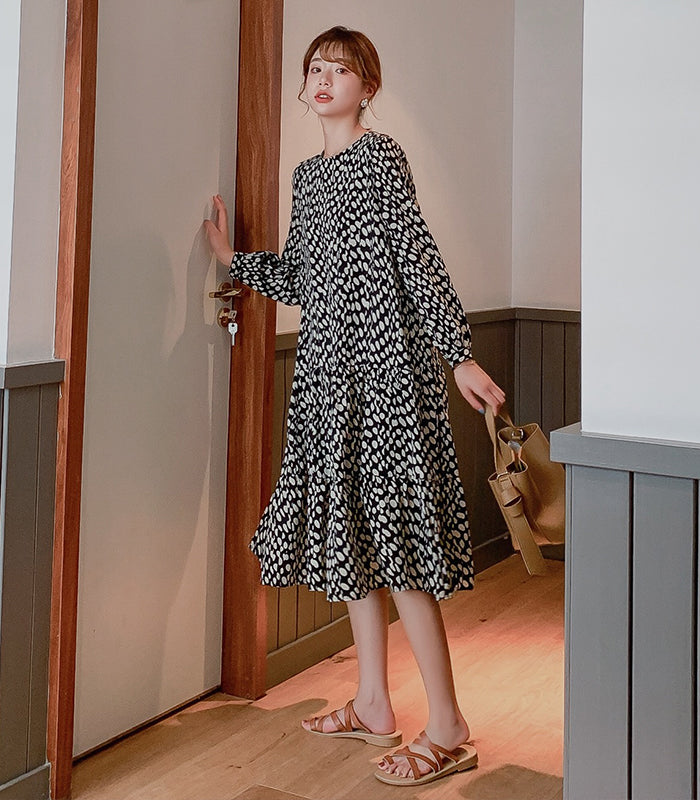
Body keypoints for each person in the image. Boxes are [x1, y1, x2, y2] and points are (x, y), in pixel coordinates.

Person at [204, 25, 506, 788]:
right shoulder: (308, 176)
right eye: (315, 67)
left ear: (367, 88)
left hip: (388, 377)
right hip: (327, 379)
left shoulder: (380, 157)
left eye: (340, 69)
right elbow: (304, 278)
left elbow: (416, 256)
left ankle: (448, 726)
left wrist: (459, 355)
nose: (323, 78)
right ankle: (373, 703)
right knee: (353, 541)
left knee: (395, 544)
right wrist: (233, 262)